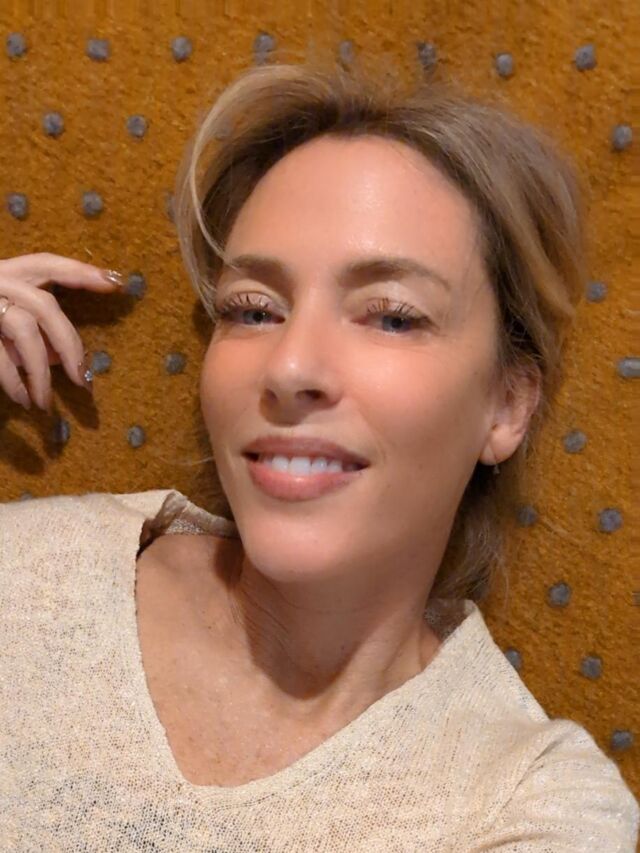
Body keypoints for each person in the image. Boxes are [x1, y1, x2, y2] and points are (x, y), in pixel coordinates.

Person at [0, 62, 638, 852]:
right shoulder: (24, 571)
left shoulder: (530, 801)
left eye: (392, 316)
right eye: (252, 309)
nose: (291, 366)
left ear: (507, 404)